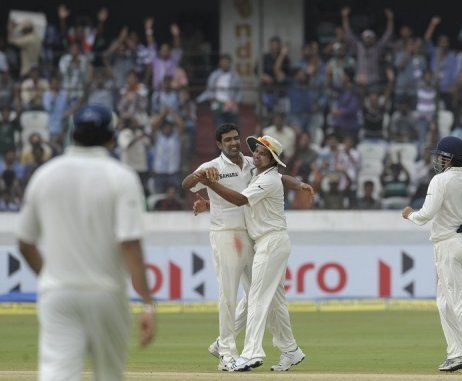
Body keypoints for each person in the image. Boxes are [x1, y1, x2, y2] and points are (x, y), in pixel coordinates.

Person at [16, 104, 156, 380]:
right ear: (111, 137)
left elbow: (25, 243)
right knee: (108, 375)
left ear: (73, 134)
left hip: (58, 294)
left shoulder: (45, 175)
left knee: (57, 374)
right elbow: (129, 245)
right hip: (106, 294)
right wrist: (148, 304)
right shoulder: (121, 176)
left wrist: (51, 277)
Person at [182, 125, 311, 372]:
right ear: (219, 145)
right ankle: (227, 353)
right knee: (230, 296)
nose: (233, 142)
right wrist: (203, 180)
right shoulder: (213, 166)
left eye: (235, 138)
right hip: (226, 235)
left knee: (264, 296)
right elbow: (186, 184)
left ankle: (288, 349)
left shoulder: (254, 162)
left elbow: (277, 176)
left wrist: (299, 185)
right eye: (227, 140)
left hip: (254, 237)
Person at [402, 136, 462, 374]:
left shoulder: (440, 181)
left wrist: (409, 214)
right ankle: (455, 354)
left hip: (447, 245)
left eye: (440, 156)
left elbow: (426, 214)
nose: (437, 160)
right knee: (444, 302)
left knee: (456, 300)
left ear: (449, 158)